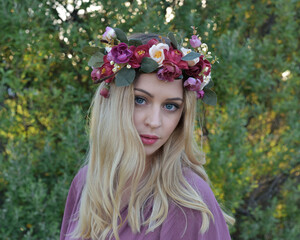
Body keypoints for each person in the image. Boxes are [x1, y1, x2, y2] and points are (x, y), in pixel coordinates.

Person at [60, 26, 234, 240]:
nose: (153, 122)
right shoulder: (87, 181)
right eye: (140, 100)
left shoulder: (187, 201)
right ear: (113, 102)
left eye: (170, 106)